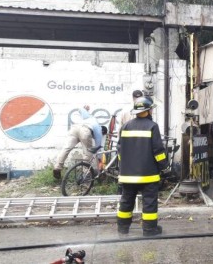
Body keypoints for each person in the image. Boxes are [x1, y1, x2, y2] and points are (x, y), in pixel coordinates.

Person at [116, 96, 170, 237]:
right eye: (151, 108)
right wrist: (165, 167)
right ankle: (149, 230)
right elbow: (158, 151)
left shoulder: (125, 126)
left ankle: (122, 228)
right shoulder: (152, 126)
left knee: (126, 200)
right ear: (148, 111)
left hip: (127, 175)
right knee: (149, 202)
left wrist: (124, 167)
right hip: (148, 175)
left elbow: (120, 151)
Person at [53, 105, 107, 179]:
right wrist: (100, 161)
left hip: (74, 129)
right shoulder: (99, 130)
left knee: (66, 148)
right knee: (88, 152)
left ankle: (57, 167)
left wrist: (85, 108)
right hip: (85, 130)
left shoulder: (90, 118)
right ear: (103, 131)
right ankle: (86, 173)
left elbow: (80, 109)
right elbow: (98, 149)